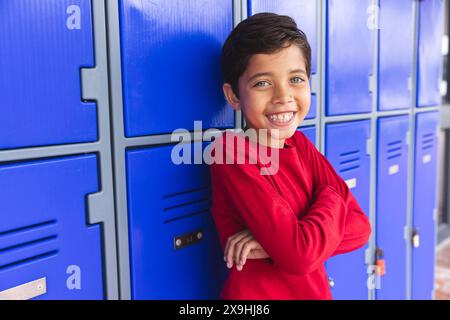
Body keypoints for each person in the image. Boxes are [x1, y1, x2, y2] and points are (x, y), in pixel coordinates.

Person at [209, 12, 371, 300]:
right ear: (233, 96)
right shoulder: (230, 153)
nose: (283, 96)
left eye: (296, 79)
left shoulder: (300, 144)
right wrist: (333, 196)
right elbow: (299, 256)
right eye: (262, 83)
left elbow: (361, 227)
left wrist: (279, 243)